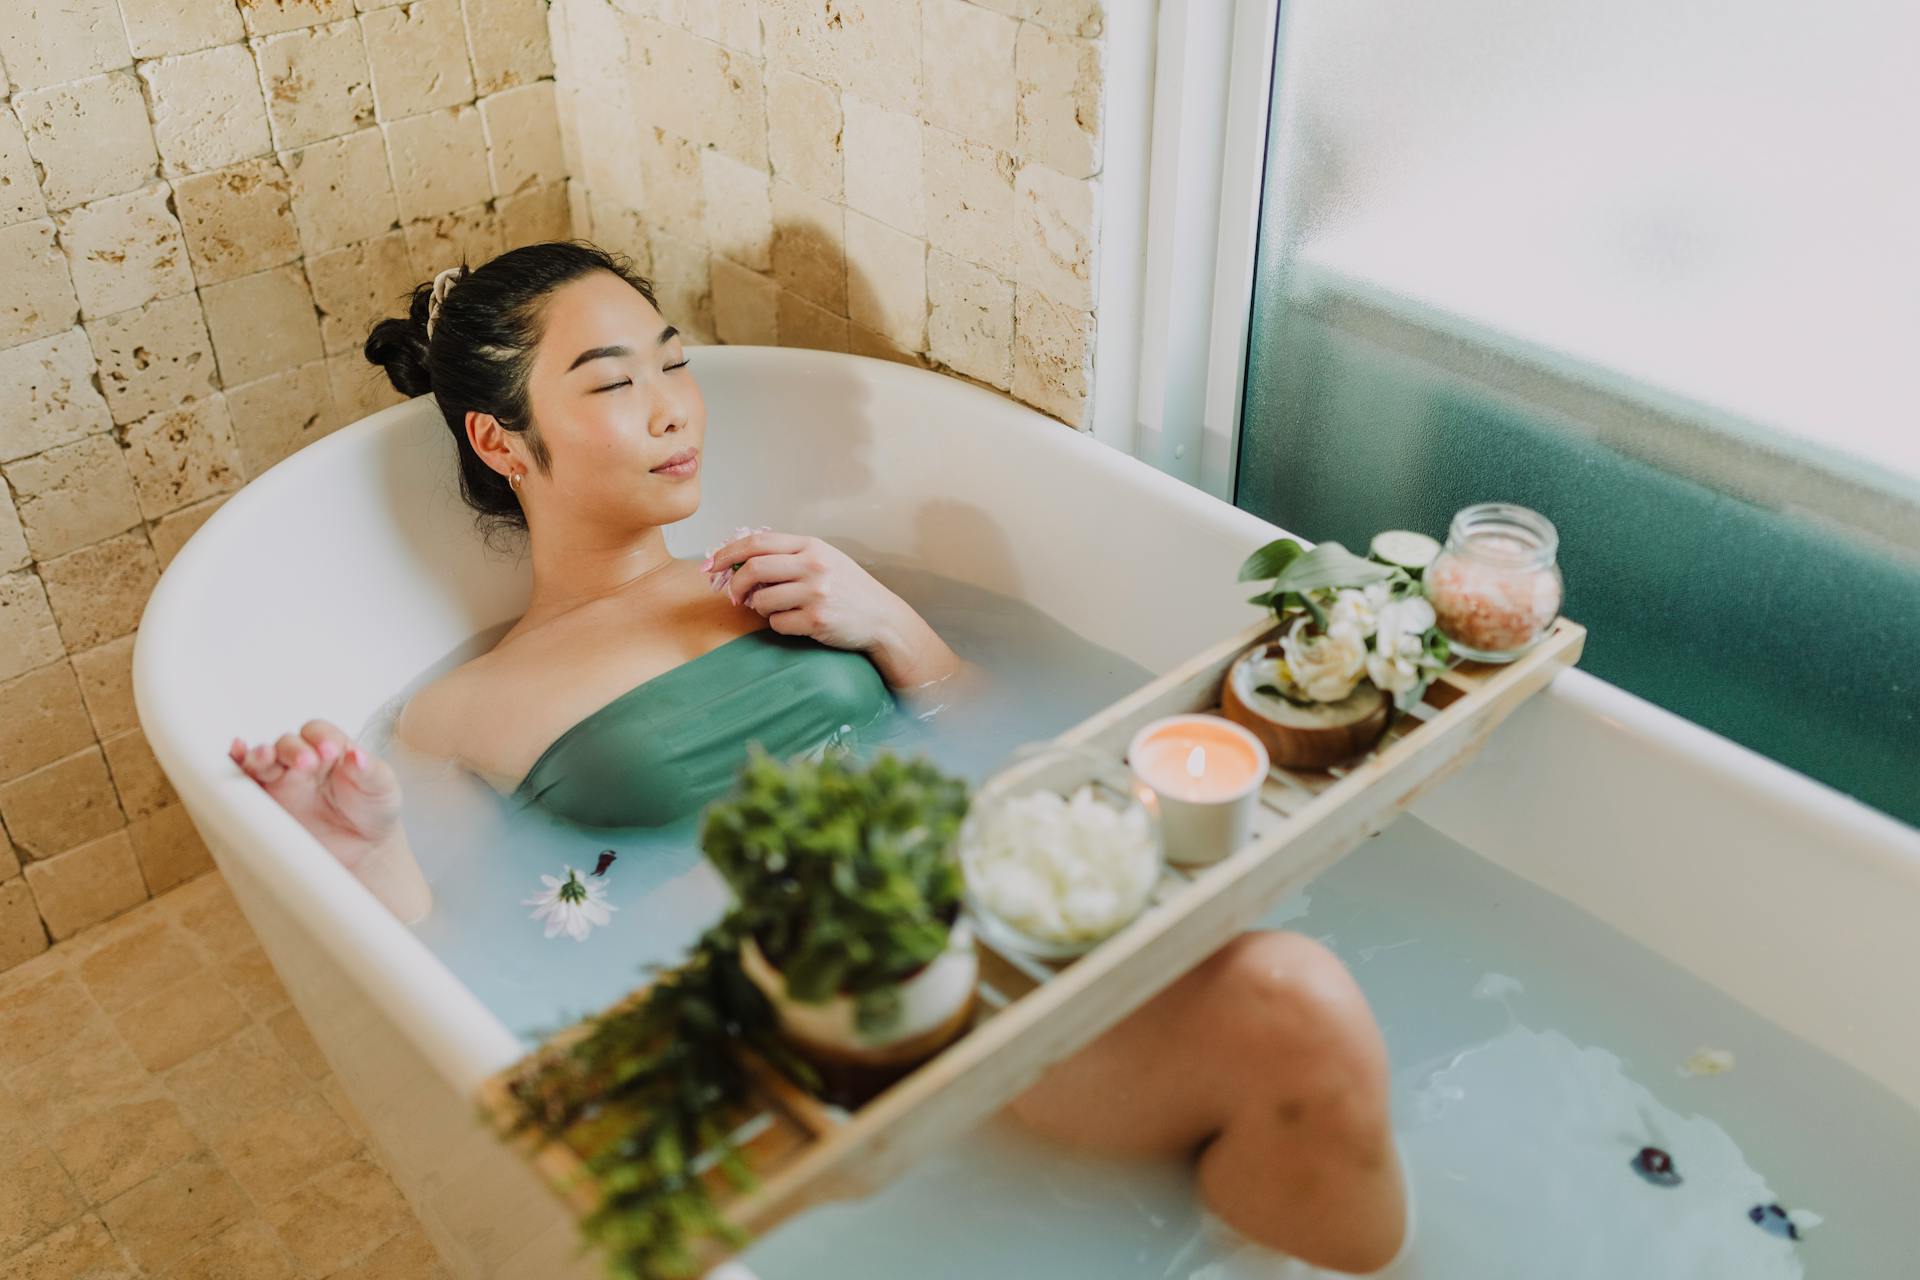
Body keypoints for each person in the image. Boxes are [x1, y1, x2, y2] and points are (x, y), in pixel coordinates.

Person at [228, 242, 1407, 1274]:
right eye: (613, 381)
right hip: (809, 1036)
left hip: (997, 934)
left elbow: (999, 730)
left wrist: (892, 624)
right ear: (502, 439)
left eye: (676, 362)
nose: (673, 406)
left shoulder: (787, 571)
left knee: (1298, 1002)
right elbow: (467, 967)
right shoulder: (458, 710)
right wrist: (365, 846)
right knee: (1293, 1004)